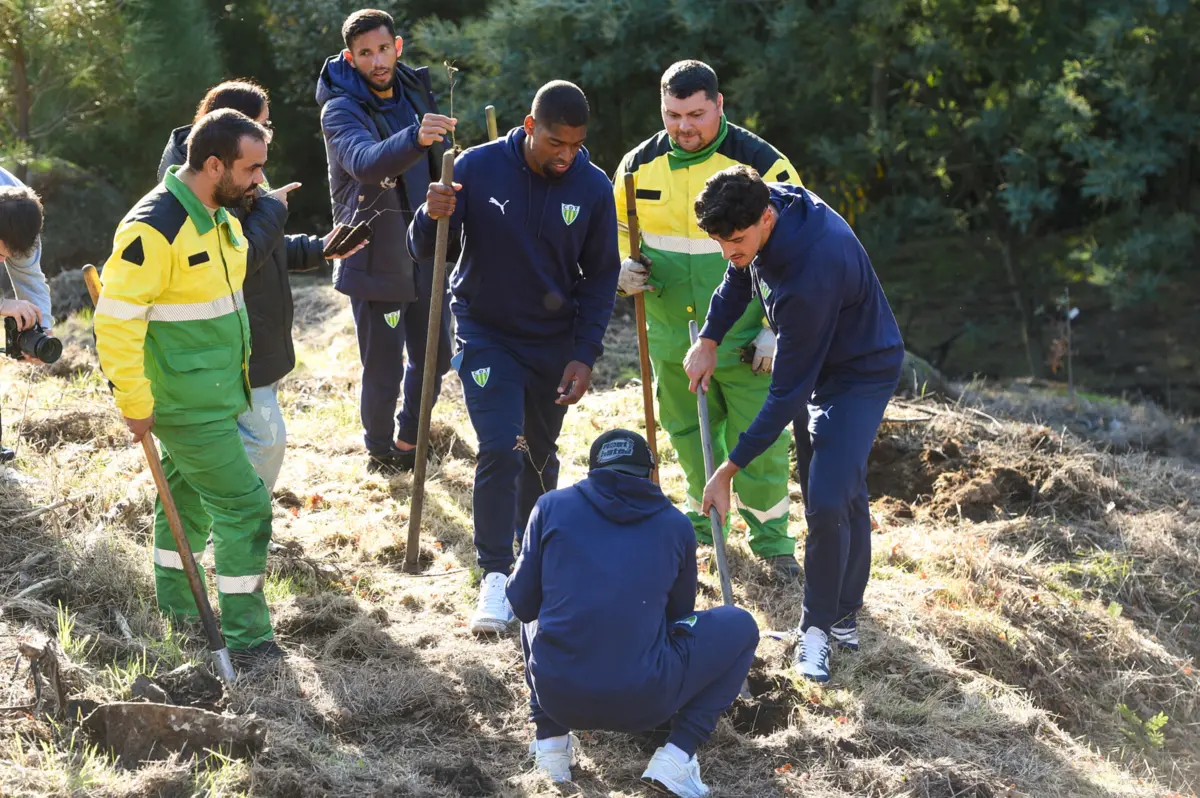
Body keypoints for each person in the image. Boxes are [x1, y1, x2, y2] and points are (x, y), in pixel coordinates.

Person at [408, 80, 621, 634]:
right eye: (555, 142)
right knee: (502, 445)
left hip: (555, 340)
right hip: (485, 331)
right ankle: (495, 576)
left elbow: (599, 279)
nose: (565, 155)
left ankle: (533, 567)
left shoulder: (593, 189)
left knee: (538, 457)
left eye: (576, 145)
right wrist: (429, 216)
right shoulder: (475, 167)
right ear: (529, 127)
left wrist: (585, 353)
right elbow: (428, 250)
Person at [684, 166, 904, 683]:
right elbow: (740, 274)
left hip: (858, 372)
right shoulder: (766, 209)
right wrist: (710, 337)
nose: (727, 252)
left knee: (827, 501)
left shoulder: (811, 271)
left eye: (735, 241)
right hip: (819, 359)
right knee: (832, 487)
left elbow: (786, 394)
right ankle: (845, 614)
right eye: (718, 241)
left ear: (766, 219)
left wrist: (726, 473)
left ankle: (817, 631)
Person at [94, 109, 287, 669]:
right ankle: (249, 641)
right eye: (251, 170)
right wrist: (134, 403)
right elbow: (116, 323)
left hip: (218, 393)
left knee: (183, 501)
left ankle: (177, 607)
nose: (259, 181)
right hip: (183, 402)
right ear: (212, 164)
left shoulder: (215, 213)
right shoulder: (155, 226)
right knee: (246, 507)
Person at [612, 61, 801, 580]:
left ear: (720, 106)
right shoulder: (634, 168)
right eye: (673, 115)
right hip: (672, 331)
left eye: (697, 114)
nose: (685, 127)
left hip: (746, 338)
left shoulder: (767, 166)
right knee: (688, 433)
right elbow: (619, 236)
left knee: (759, 438)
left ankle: (773, 543)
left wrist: (773, 330)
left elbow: (792, 256)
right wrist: (620, 271)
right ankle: (703, 523)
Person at [508, 429, 758, 797]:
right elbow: (679, 617)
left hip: (557, 697)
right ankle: (676, 756)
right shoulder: (676, 524)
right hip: (647, 702)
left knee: (535, 603)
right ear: (650, 472)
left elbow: (520, 603)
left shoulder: (550, 507)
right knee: (741, 625)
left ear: (592, 470)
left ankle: (550, 747)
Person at [156, 79, 362, 492]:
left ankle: (231, 522)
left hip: (247, 340)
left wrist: (318, 249)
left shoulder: (239, 168)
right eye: (262, 125)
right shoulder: (204, 184)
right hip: (226, 344)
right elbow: (238, 260)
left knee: (236, 445)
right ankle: (243, 520)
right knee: (265, 441)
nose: (267, 135)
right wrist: (272, 210)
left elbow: (260, 246)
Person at [317, 8, 455, 474]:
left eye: (382, 49)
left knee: (435, 356)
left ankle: (411, 438)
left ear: (397, 48)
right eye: (364, 54)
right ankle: (379, 452)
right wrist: (415, 137)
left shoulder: (415, 91)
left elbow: (437, 167)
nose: (376, 61)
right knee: (384, 367)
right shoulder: (339, 109)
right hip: (374, 256)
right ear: (349, 57)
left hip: (425, 251)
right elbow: (365, 162)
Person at [0, 168, 52, 462]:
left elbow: (31, 281)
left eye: (9, 256)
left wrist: (43, 330)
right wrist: (3, 305)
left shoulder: (22, 217)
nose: (3, 263)